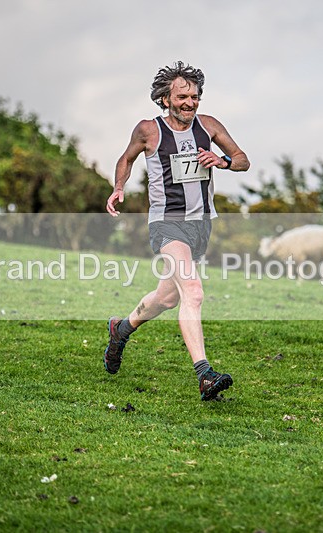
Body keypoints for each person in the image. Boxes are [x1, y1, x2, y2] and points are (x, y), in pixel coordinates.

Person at [104, 61, 250, 401]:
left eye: (195, 96)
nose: (190, 102)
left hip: (201, 225)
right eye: (182, 96)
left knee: (167, 298)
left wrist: (222, 162)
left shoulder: (209, 126)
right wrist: (118, 187)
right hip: (166, 224)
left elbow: (243, 159)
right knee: (193, 292)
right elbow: (125, 159)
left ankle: (121, 329)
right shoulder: (148, 130)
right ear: (165, 98)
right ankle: (205, 375)